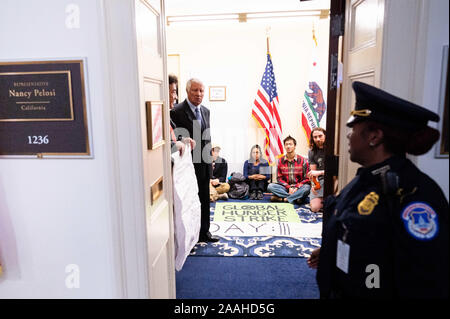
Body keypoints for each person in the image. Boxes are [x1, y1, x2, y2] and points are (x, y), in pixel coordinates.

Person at [308, 81, 449, 298]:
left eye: (354, 128)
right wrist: (331, 252)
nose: (349, 135)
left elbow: (424, 280)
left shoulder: (415, 195)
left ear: (374, 136)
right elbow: (367, 240)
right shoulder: (366, 179)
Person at [170, 78, 219, 243]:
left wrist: (210, 164)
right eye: (195, 91)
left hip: (204, 164)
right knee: (189, 202)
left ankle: (204, 232)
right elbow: (174, 138)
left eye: (201, 91)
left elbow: (207, 138)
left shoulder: (205, 111)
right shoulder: (176, 111)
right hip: (187, 166)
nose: (199, 94)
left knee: (205, 200)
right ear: (187, 91)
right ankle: (190, 236)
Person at [267, 136, 311, 204]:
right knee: (270, 186)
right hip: (285, 188)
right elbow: (279, 178)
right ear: (284, 146)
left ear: (295, 146)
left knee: (307, 188)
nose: (288, 146)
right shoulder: (280, 161)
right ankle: (296, 198)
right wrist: (289, 187)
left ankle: (283, 199)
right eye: (286, 144)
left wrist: (296, 187)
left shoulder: (303, 160)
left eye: (290, 144)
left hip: (299, 187)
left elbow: (307, 179)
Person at [168, 74, 194, 156]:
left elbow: (173, 136)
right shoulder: (156, 118)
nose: (176, 97)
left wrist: (183, 140)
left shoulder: (167, 117)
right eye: (173, 92)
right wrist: (174, 145)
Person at [307, 127, 326, 212]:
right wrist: (313, 185)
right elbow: (313, 172)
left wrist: (320, 172)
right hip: (320, 181)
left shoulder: (333, 149)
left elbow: (336, 171)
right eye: (315, 137)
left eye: (320, 136)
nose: (318, 139)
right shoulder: (311, 152)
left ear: (325, 135)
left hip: (332, 180)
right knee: (315, 208)